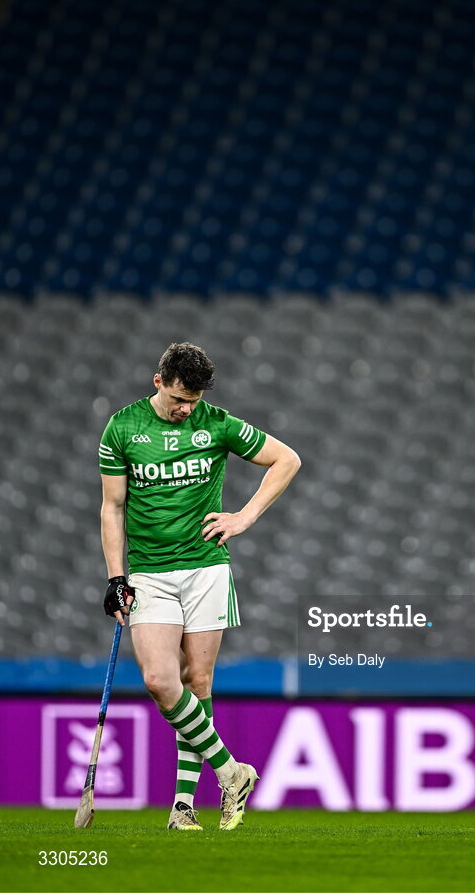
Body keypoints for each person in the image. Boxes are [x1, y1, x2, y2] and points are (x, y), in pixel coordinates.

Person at [99, 341, 301, 831]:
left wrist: (245, 516)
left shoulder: (217, 422)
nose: (186, 409)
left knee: (199, 682)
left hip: (206, 568)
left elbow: (288, 459)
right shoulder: (123, 428)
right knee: (159, 681)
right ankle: (232, 771)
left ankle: (182, 808)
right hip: (149, 572)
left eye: (193, 400)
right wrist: (115, 577)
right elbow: (113, 508)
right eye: (178, 399)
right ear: (158, 382)